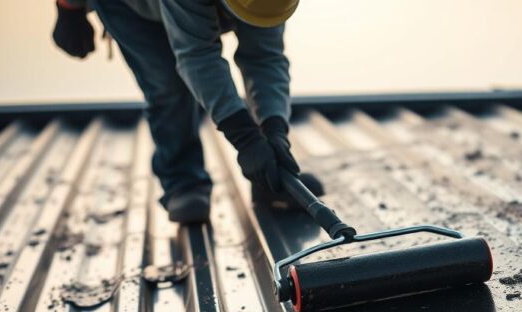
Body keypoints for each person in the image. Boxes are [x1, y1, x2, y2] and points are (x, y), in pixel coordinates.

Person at [52, 0, 321, 223]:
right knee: (168, 85)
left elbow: (265, 58)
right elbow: (198, 55)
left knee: (253, 60)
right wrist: (69, 6)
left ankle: (270, 180)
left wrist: (274, 130)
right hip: (131, 8)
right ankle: (183, 181)